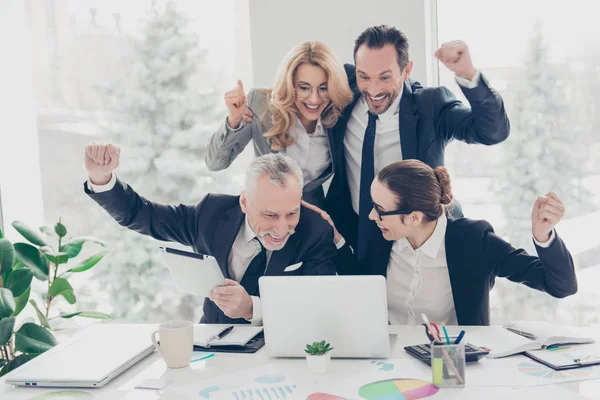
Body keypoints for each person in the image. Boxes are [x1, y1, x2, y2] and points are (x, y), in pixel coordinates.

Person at [84, 143, 336, 325]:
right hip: (214, 346)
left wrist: (252, 308)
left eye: (291, 214)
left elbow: (318, 310)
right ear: (245, 203)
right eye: (270, 215)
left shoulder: (315, 232)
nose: (282, 229)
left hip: (284, 354)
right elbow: (144, 215)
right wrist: (101, 178)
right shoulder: (212, 214)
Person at [305, 160, 577, 326]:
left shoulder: (474, 241)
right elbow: (365, 283)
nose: (371, 215)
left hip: (453, 366)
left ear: (413, 217)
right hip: (390, 362)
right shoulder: (385, 235)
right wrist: (336, 240)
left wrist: (543, 236)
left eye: (378, 208)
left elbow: (561, 286)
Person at [324, 25, 511, 263]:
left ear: (406, 70)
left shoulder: (430, 106)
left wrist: (467, 74)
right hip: (356, 233)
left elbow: (492, 132)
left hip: (417, 237)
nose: (373, 89)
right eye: (364, 76)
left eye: (385, 77)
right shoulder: (343, 88)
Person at [205, 41, 353, 207]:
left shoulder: (337, 116)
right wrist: (233, 121)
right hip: (265, 212)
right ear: (290, 85)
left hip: (312, 215)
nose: (314, 99)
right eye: (304, 88)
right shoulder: (261, 104)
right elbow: (215, 163)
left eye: (323, 88)